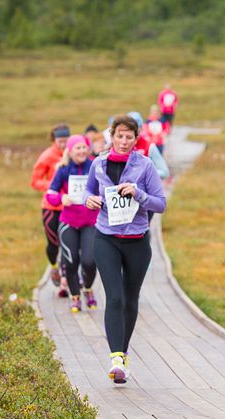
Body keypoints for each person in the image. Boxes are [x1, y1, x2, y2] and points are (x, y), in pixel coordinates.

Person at [84, 115, 166, 384]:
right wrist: (91, 200)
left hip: (137, 241)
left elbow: (160, 203)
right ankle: (116, 358)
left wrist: (138, 194)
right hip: (106, 237)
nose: (123, 141)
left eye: (129, 137)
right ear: (112, 136)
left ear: (135, 139)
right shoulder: (98, 163)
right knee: (115, 297)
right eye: (119, 136)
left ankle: (124, 351)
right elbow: (87, 193)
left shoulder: (145, 166)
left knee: (131, 300)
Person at [45, 135, 99, 312]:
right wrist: (62, 198)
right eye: (78, 148)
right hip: (69, 222)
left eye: (84, 147)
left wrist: (99, 198)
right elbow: (50, 194)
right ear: (70, 150)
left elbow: (106, 188)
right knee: (71, 261)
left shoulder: (94, 166)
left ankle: (88, 288)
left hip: (90, 222)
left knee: (90, 261)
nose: (82, 151)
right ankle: (75, 296)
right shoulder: (63, 169)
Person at [31, 123, 70, 297]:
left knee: (68, 243)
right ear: (54, 140)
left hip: (69, 206)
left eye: (65, 141)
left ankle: (66, 277)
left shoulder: (73, 153)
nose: (63, 145)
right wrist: (54, 185)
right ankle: (54, 267)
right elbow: (35, 181)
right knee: (53, 243)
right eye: (60, 141)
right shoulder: (47, 156)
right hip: (51, 207)